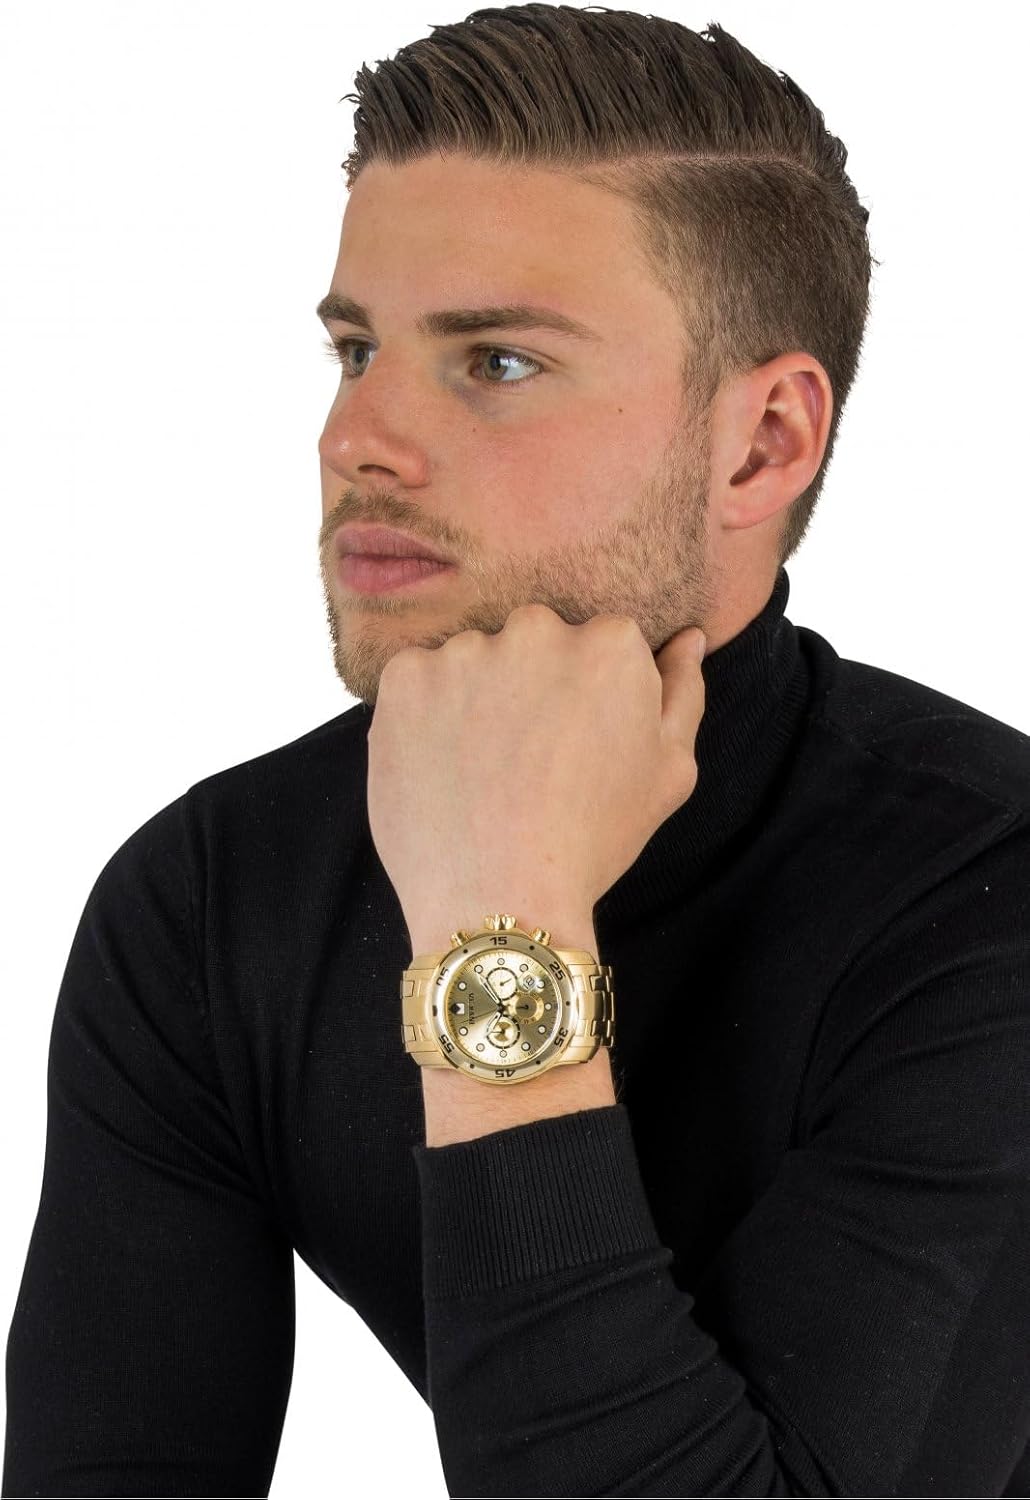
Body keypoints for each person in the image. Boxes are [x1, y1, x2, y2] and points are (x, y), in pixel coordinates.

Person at [4, 5, 1029, 1495]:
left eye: (494, 360)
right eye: (355, 348)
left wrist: (501, 923)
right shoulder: (215, 901)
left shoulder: (982, 897)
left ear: (762, 443)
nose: (355, 436)